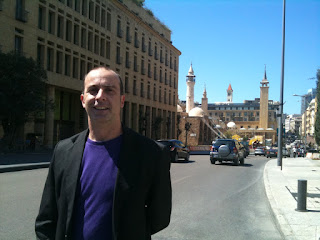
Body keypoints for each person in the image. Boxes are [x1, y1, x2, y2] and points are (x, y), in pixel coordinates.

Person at [35, 67, 172, 240]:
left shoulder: (151, 153)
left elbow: (159, 217)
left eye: (109, 90)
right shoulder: (63, 151)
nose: (100, 96)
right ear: (83, 100)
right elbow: (47, 218)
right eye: (93, 90)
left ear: (122, 101)